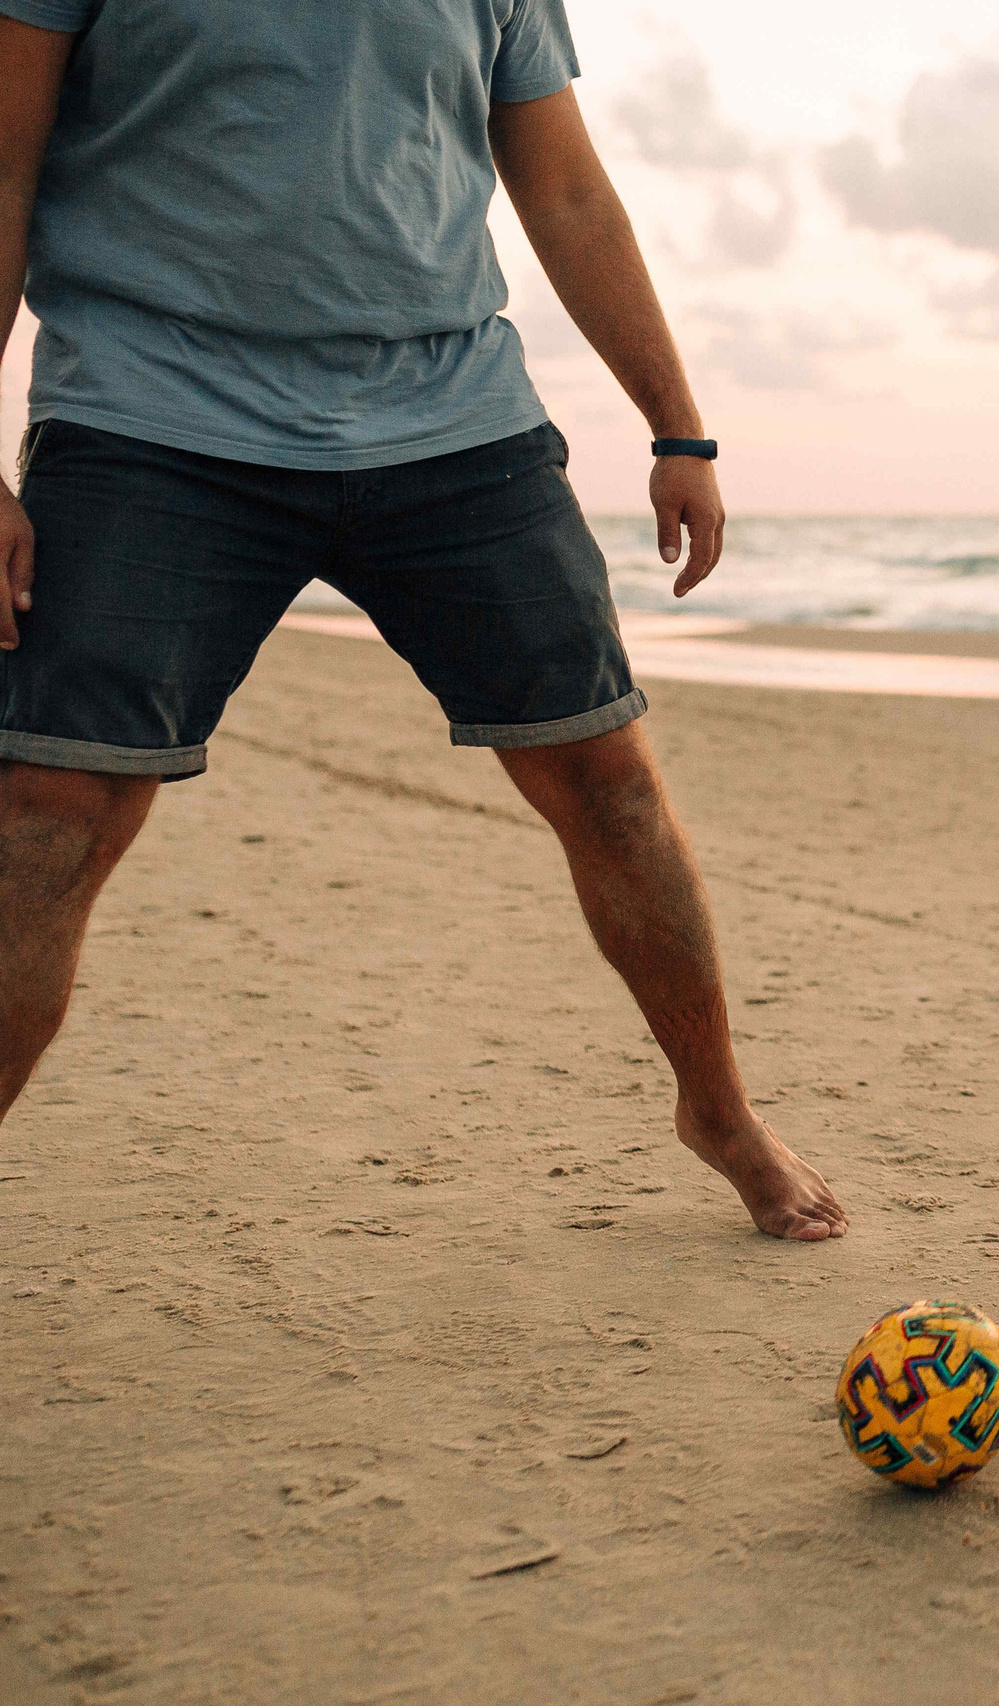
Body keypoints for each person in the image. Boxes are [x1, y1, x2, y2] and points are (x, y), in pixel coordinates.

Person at [0, 4, 846, 1241]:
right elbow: (6, 153)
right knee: (46, 819)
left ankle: (718, 1110)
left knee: (609, 783)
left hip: (448, 419)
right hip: (153, 416)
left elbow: (562, 188)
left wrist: (678, 426)